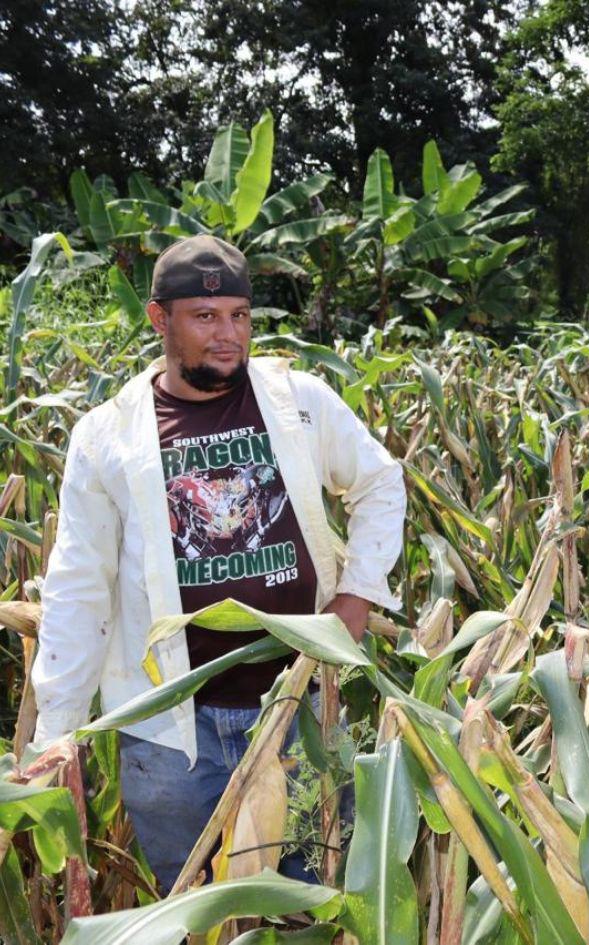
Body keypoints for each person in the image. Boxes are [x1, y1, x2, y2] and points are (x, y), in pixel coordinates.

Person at [30, 235, 406, 892]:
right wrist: (57, 732)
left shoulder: (301, 402)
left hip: (298, 712)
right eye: (205, 317)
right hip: (172, 737)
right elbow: (78, 586)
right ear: (159, 319)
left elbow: (379, 481)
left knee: (316, 904)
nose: (227, 334)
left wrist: (357, 596)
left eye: (238, 315)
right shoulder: (108, 435)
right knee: (195, 911)